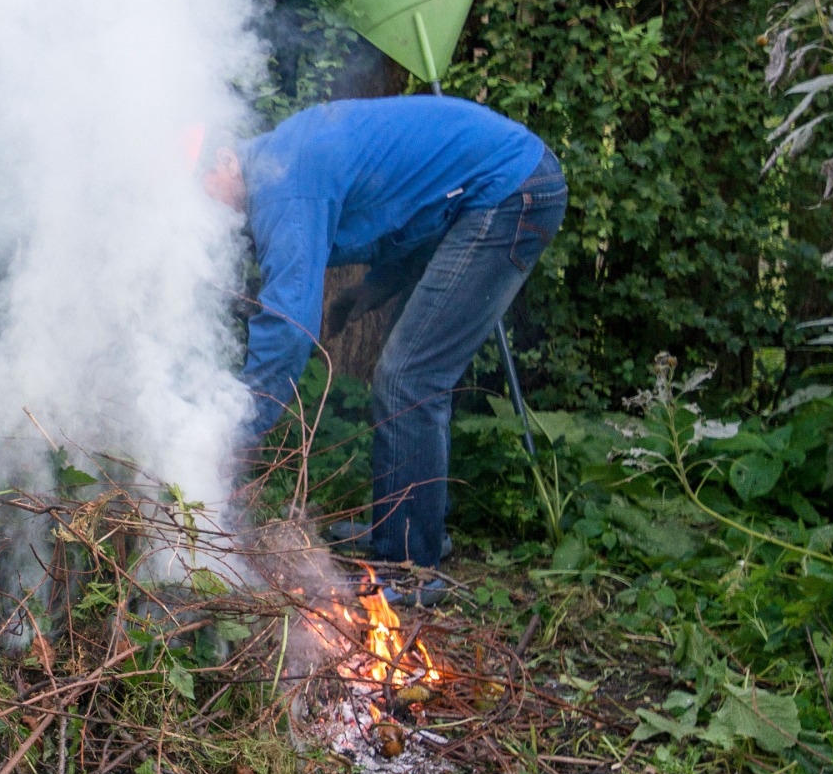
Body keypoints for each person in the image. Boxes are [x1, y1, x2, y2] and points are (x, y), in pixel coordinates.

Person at [200, 95, 567, 596]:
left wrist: (239, 430)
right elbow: (414, 206)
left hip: (510, 190)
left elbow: (289, 325)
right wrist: (371, 290)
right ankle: (403, 529)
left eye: (203, 192)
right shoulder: (286, 159)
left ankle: (412, 567)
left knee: (409, 379)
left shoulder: (282, 184)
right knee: (407, 377)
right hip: (485, 192)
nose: (205, 213)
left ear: (225, 160)